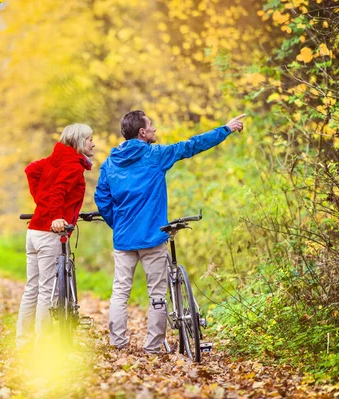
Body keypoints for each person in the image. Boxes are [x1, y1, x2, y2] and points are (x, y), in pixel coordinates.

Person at [94, 110, 245, 354]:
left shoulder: (110, 163)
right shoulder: (155, 155)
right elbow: (191, 146)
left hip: (123, 238)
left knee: (120, 292)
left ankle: (118, 344)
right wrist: (225, 129)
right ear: (142, 132)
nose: (154, 129)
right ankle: (153, 347)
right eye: (150, 126)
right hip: (153, 237)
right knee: (157, 294)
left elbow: (101, 198)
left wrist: (118, 222)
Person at [16, 123, 96, 349]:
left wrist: (40, 203)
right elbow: (58, 191)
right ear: (79, 141)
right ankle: (43, 347)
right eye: (89, 138)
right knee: (46, 291)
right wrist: (56, 216)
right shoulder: (72, 165)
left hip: (33, 231)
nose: (93, 143)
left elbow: (31, 169)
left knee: (32, 288)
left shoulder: (54, 159)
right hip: (49, 234)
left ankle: (23, 343)